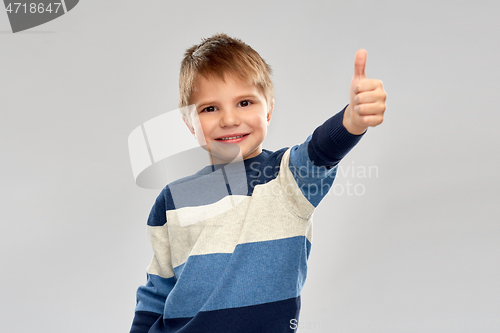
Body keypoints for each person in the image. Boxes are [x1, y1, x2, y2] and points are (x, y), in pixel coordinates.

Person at [130, 33, 386, 333]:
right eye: (210, 108)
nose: (229, 119)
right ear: (190, 123)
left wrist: (352, 121)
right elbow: (156, 292)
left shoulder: (288, 178)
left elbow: (320, 150)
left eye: (244, 102)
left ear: (268, 110)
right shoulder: (172, 199)